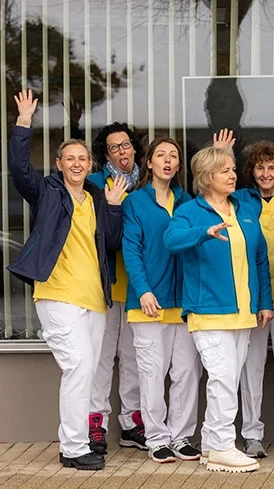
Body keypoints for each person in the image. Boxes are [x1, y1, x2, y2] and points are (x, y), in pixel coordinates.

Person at [8, 90, 127, 470]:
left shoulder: (95, 198)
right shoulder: (47, 192)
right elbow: (19, 170)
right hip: (58, 296)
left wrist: (114, 207)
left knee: (87, 372)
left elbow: (111, 243)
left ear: (90, 164)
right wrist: (23, 123)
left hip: (94, 300)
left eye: (82, 159)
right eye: (69, 159)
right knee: (78, 366)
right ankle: (73, 447)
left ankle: (79, 443)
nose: (76, 164)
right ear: (59, 164)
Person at [164, 146, 273, 473]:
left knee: (227, 379)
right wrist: (204, 233)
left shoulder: (244, 209)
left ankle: (212, 444)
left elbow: (260, 259)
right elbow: (171, 240)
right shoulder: (189, 210)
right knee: (223, 378)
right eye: (225, 170)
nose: (232, 175)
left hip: (244, 312)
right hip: (208, 311)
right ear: (207, 177)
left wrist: (264, 302)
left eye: (232, 169)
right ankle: (224, 445)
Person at [213, 131, 274, 459]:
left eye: (272, 168)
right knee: (249, 368)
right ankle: (251, 434)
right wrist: (221, 156)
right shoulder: (240, 199)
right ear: (251, 171)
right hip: (251, 298)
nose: (266, 174)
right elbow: (212, 193)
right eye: (260, 167)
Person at [120, 138, 202, 464]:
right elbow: (131, 250)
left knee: (187, 373)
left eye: (173, 156)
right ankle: (156, 438)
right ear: (149, 162)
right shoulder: (135, 202)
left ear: (179, 165)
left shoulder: (188, 202)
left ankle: (181, 437)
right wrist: (143, 290)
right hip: (149, 302)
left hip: (183, 303)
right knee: (152, 374)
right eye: (161, 155)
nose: (167, 161)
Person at [88, 121, 146, 453]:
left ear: (134, 148)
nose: (122, 151)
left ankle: (131, 423)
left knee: (134, 357)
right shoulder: (95, 184)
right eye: (114, 148)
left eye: (125, 145)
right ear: (106, 155)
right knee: (101, 356)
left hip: (139, 286)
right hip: (106, 285)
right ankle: (95, 422)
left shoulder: (147, 183)